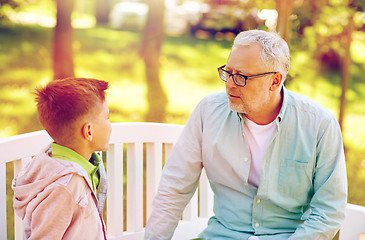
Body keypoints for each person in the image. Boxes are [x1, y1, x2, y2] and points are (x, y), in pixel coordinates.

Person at [145, 30, 347, 239]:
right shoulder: (208, 111)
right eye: (228, 72)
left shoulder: (320, 125)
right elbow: (174, 188)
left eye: (241, 76)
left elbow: (329, 211)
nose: (230, 84)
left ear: (275, 81)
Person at [12, 77, 111, 239]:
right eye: (107, 118)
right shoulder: (65, 187)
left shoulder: (83, 162)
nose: (110, 125)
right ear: (89, 131)